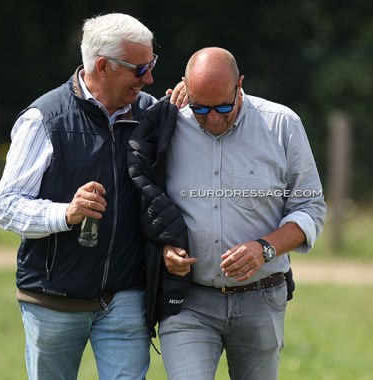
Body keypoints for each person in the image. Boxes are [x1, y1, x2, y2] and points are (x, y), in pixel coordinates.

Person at [0, 13, 186, 380]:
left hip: (127, 295)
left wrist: (186, 107)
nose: (150, 78)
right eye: (140, 68)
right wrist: (67, 213)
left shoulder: (151, 113)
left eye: (152, 65)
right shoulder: (44, 118)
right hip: (53, 296)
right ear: (103, 66)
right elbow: (6, 206)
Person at [128, 47, 327, 379]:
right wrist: (165, 249)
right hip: (188, 301)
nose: (214, 119)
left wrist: (264, 248)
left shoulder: (282, 124)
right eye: (201, 108)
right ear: (186, 90)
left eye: (223, 106)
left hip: (261, 298)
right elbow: (145, 200)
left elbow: (310, 208)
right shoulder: (168, 123)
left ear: (240, 85)